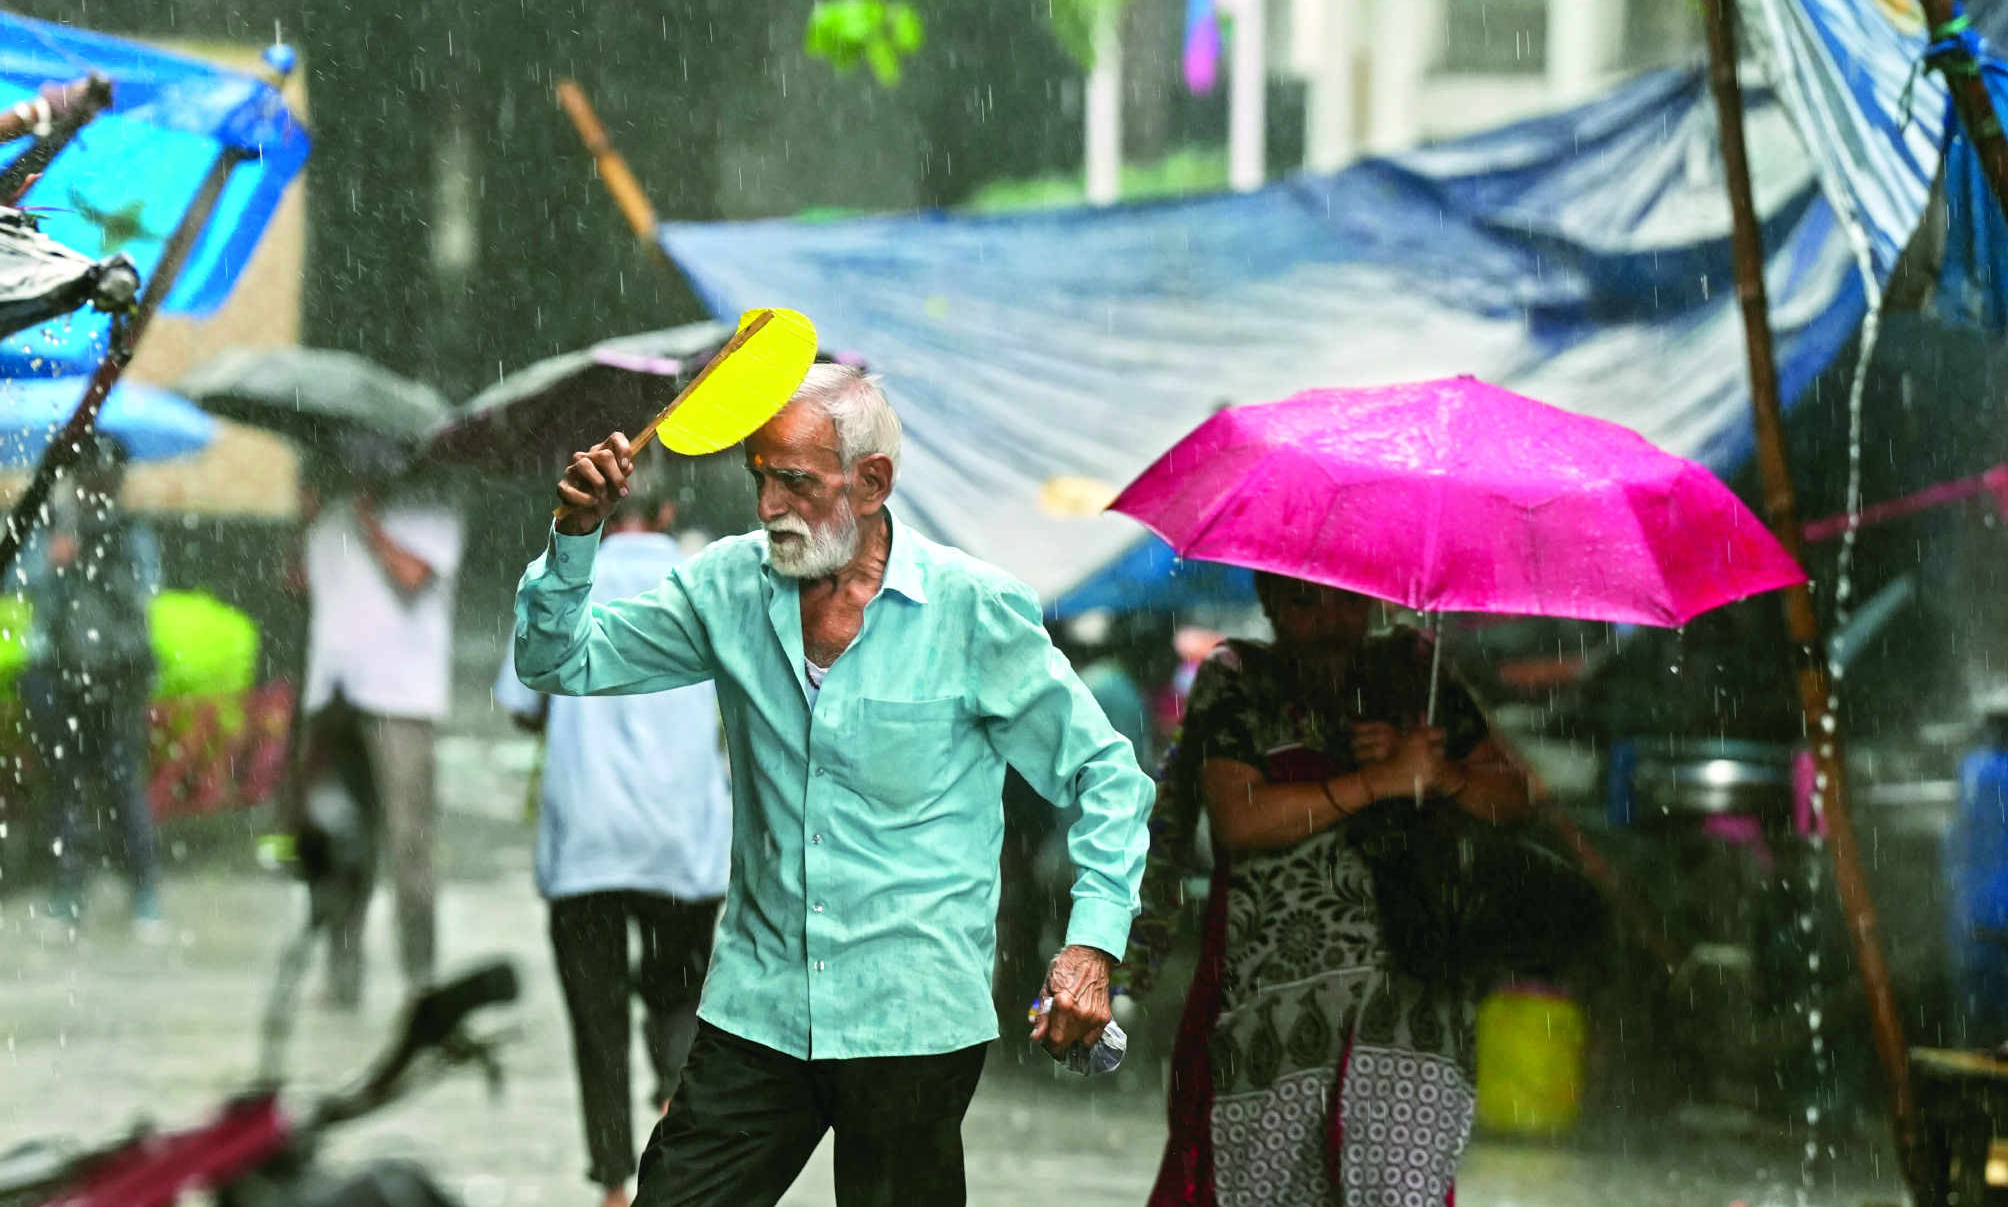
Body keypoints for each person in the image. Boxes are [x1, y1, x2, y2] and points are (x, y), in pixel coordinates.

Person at [514, 364, 1155, 1207]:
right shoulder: (727, 586)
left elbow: (1105, 773)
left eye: (795, 481)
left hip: (913, 1016)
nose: (769, 505)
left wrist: (1090, 945)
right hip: (759, 1008)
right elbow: (557, 659)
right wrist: (574, 532)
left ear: (873, 480)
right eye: (759, 478)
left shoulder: (972, 611)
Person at [1123, 573, 1530, 1207]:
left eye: (1347, 598)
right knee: (1247, 1184)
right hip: (1267, 1009)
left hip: (1409, 1007)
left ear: (1373, 597)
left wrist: (1439, 773)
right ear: (1269, 602)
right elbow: (1241, 818)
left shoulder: (1416, 670)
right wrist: (1382, 781)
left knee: (1398, 1189)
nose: (1330, 619)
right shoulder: (1238, 678)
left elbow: (1511, 796)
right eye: (1305, 601)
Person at [493, 468, 730, 1207]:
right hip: (680, 837)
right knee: (678, 997)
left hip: (585, 839)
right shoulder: (706, 583)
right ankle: (672, 1113)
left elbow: (519, 700)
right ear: (665, 513)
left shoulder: (560, 577)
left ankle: (612, 1182)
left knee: (595, 1021)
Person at [301, 450, 463, 1007]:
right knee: (341, 836)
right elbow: (297, 583)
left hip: (402, 701)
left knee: (408, 845)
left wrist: (369, 522)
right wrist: (311, 518)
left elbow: (412, 576)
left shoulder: (433, 511)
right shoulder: (331, 515)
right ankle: (343, 974)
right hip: (336, 696)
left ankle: (422, 979)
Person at [23, 436, 163, 935]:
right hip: (56, 671)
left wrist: (102, 558)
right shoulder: (52, 525)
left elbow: (145, 592)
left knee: (124, 780)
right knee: (65, 783)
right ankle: (69, 889)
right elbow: (22, 582)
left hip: (118, 673)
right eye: (91, 474)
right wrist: (56, 559)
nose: (99, 485)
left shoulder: (130, 532)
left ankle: (143, 889)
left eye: (108, 476)